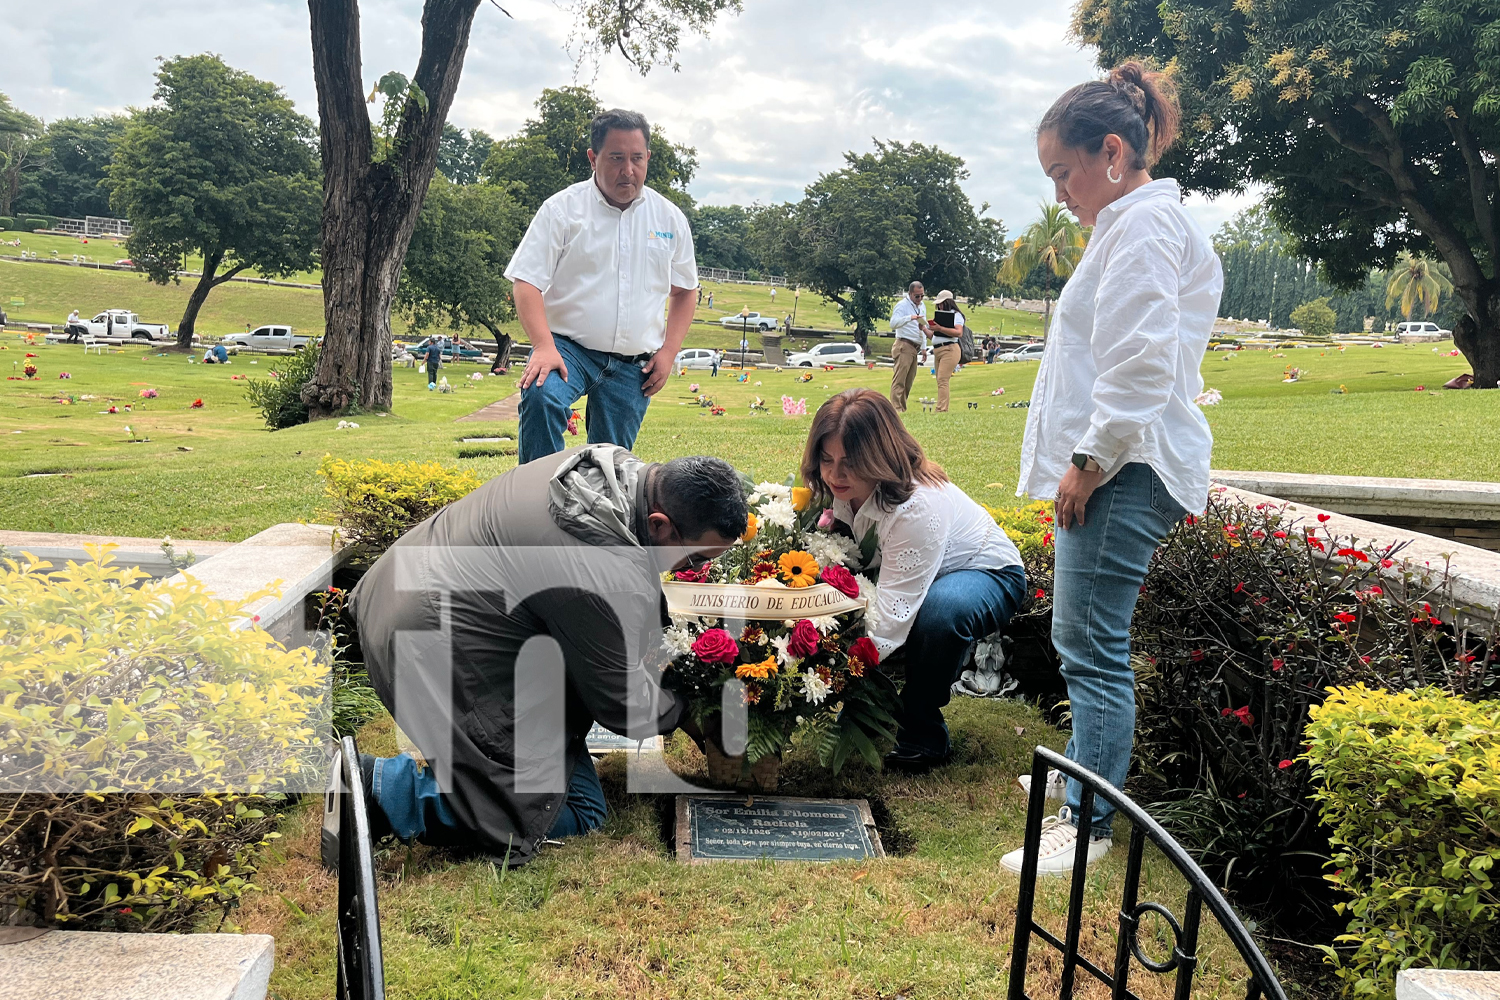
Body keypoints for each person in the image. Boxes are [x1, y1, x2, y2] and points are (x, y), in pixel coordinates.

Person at [1002, 62, 1222, 877]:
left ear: (1115, 152)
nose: (1059, 191)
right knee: (1084, 637)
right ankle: (1080, 775)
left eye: (1064, 172)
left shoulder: (1143, 228)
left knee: (1090, 645)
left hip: (1124, 467)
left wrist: (1089, 463)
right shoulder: (1132, 225)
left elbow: (1139, 364)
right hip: (1123, 462)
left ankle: (1086, 822)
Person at [327, 445, 748, 867]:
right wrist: (687, 707)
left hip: (401, 589)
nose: (690, 570)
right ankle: (376, 788)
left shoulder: (608, 469)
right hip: (432, 648)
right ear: (658, 525)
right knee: (571, 812)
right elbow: (622, 706)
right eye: (694, 557)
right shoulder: (600, 573)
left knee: (562, 773)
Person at [802, 389, 1026, 772]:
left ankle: (922, 730)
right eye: (827, 460)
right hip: (909, 572)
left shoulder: (916, 506)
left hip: (984, 573)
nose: (835, 475)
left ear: (879, 457)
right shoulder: (834, 489)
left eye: (850, 463)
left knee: (938, 613)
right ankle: (873, 713)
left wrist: (819, 673)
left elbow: (890, 617)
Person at [505, 109, 699, 465]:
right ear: (593, 159)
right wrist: (543, 346)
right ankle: (534, 501)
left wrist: (669, 352)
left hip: (633, 364)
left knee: (611, 464)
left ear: (647, 158)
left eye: (636, 158)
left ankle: (593, 517)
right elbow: (527, 282)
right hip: (568, 349)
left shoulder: (669, 218)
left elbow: (686, 291)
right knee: (542, 396)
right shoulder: (562, 211)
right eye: (616, 158)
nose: (628, 170)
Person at [888, 281, 930, 411]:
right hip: (904, 344)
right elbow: (893, 324)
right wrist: (909, 318)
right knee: (899, 379)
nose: (920, 299)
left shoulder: (922, 306)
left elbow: (923, 327)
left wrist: (924, 347)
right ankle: (896, 409)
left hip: (915, 347)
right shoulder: (902, 306)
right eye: (917, 296)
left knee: (909, 381)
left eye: (922, 296)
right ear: (910, 294)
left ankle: (902, 407)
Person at [927, 290, 966, 412]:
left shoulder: (956, 315)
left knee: (943, 379)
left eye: (941, 303)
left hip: (950, 349)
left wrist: (940, 328)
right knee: (940, 380)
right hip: (938, 349)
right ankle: (942, 407)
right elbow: (934, 336)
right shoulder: (941, 316)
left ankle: (941, 409)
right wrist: (924, 328)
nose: (939, 306)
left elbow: (958, 332)